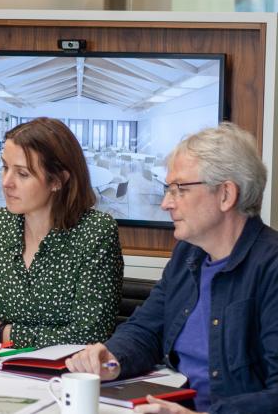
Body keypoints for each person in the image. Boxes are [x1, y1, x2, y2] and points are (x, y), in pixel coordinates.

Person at [66, 123, 278, 414]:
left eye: (179, 189)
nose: (166, 203)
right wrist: (111, 359)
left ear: (226, 195)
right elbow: (146, 329)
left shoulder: (271, 267)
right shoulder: (187, 255)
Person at [0, 117, 124, 358]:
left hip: (66, 376)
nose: (6, 183)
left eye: (22, 174)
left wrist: (5, 332)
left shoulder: (96, 232)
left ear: (57, 180)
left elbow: (90, 335)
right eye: (5, 167)